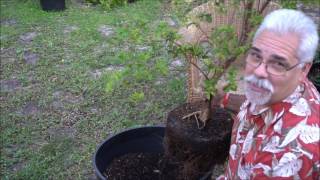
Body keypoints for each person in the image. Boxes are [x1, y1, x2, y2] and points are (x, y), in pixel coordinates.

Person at [217, 9, 320, 179]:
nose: (258, 72)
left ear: (304, 69)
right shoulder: (278, 88)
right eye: (256, 55)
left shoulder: (289, 154)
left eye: (278, 64)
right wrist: (224, 99)